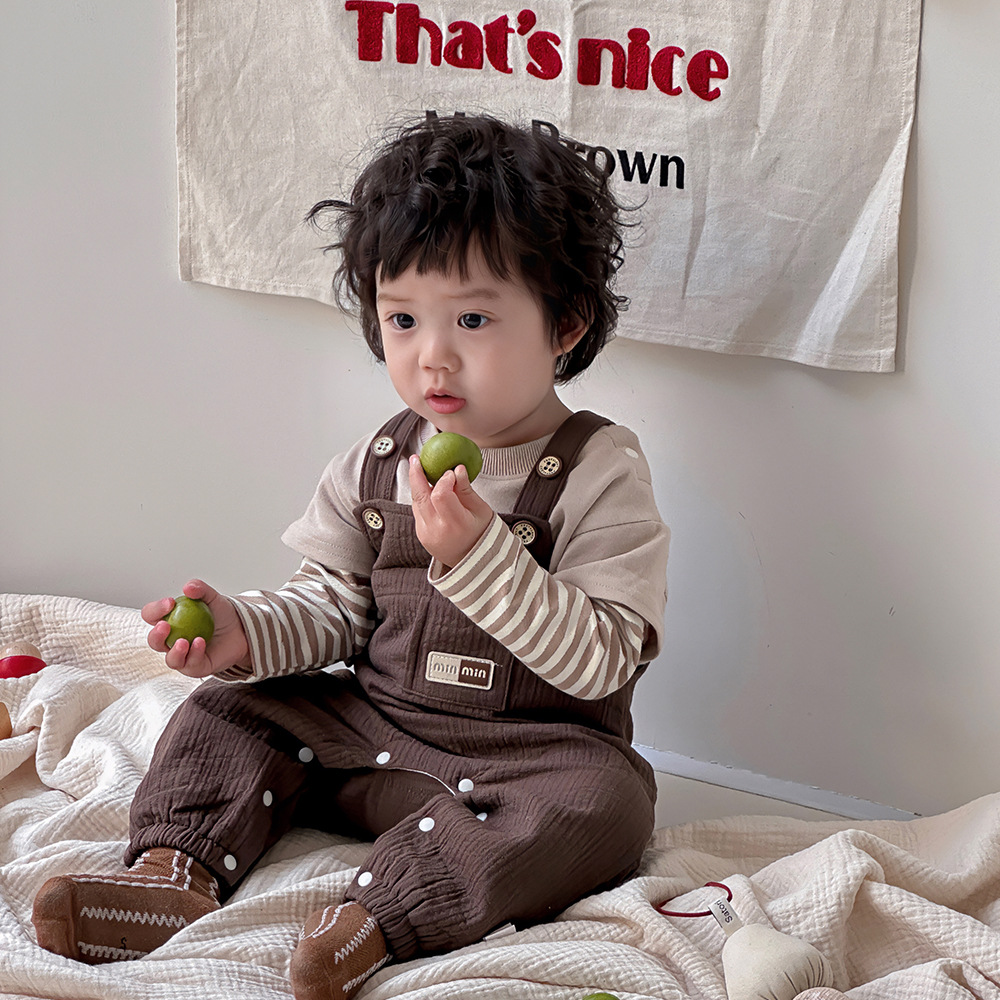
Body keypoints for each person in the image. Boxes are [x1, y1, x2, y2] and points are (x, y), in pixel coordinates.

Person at [31, 113, 670, 999]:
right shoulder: (377, 462)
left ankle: (376, 920)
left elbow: (600, 662)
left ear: (564, 321)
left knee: (610, 806)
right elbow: (332, 610)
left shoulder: (601, 469)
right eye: (402, 318)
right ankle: (171, 877)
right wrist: (245, 633)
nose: (431, 357)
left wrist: (483, 556)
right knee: (232, 711)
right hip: (374, 736)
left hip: (534, 754)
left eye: (473, 318)